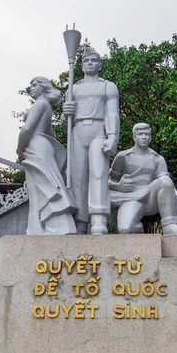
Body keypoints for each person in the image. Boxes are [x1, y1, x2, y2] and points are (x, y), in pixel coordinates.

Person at [62, 46, 120, 234]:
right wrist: (65, 114)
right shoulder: (73, 88)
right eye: (86, 61)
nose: (89, 63)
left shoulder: (107, 86)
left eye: (93, 60)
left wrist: (113, 137)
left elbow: (112, 113)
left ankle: (98, 219)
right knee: (77, 179)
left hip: (98, 130)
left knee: (99, 175)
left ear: (100, 64)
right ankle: (80, 220)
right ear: (81, 66)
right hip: (78, 131)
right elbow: (65, 123)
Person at [17, 77, 77, 235]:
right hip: (42, 146)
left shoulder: (40, 104)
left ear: (43, 87)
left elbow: (27, 130)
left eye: (35, 85)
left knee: (46, 188)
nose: (31, 88)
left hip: (36, 146)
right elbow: (51, 134)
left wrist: (19, 148)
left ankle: (56, 227)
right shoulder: (46, 107)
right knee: (42, 187)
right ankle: (40, 228)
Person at [108, 123, 177, 235]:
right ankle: (138, 228)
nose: (144, 137)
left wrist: (176, 194)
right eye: (141, 134)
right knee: (125, 230)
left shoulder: (157, 159)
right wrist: (118, 186)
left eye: (147, 134)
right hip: (130, 198)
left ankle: (169, 225)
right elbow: (109, 182)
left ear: (151, 137)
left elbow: (165, 181)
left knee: (165, 181)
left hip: (150, 197)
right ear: (134, 136)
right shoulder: (123, 156)